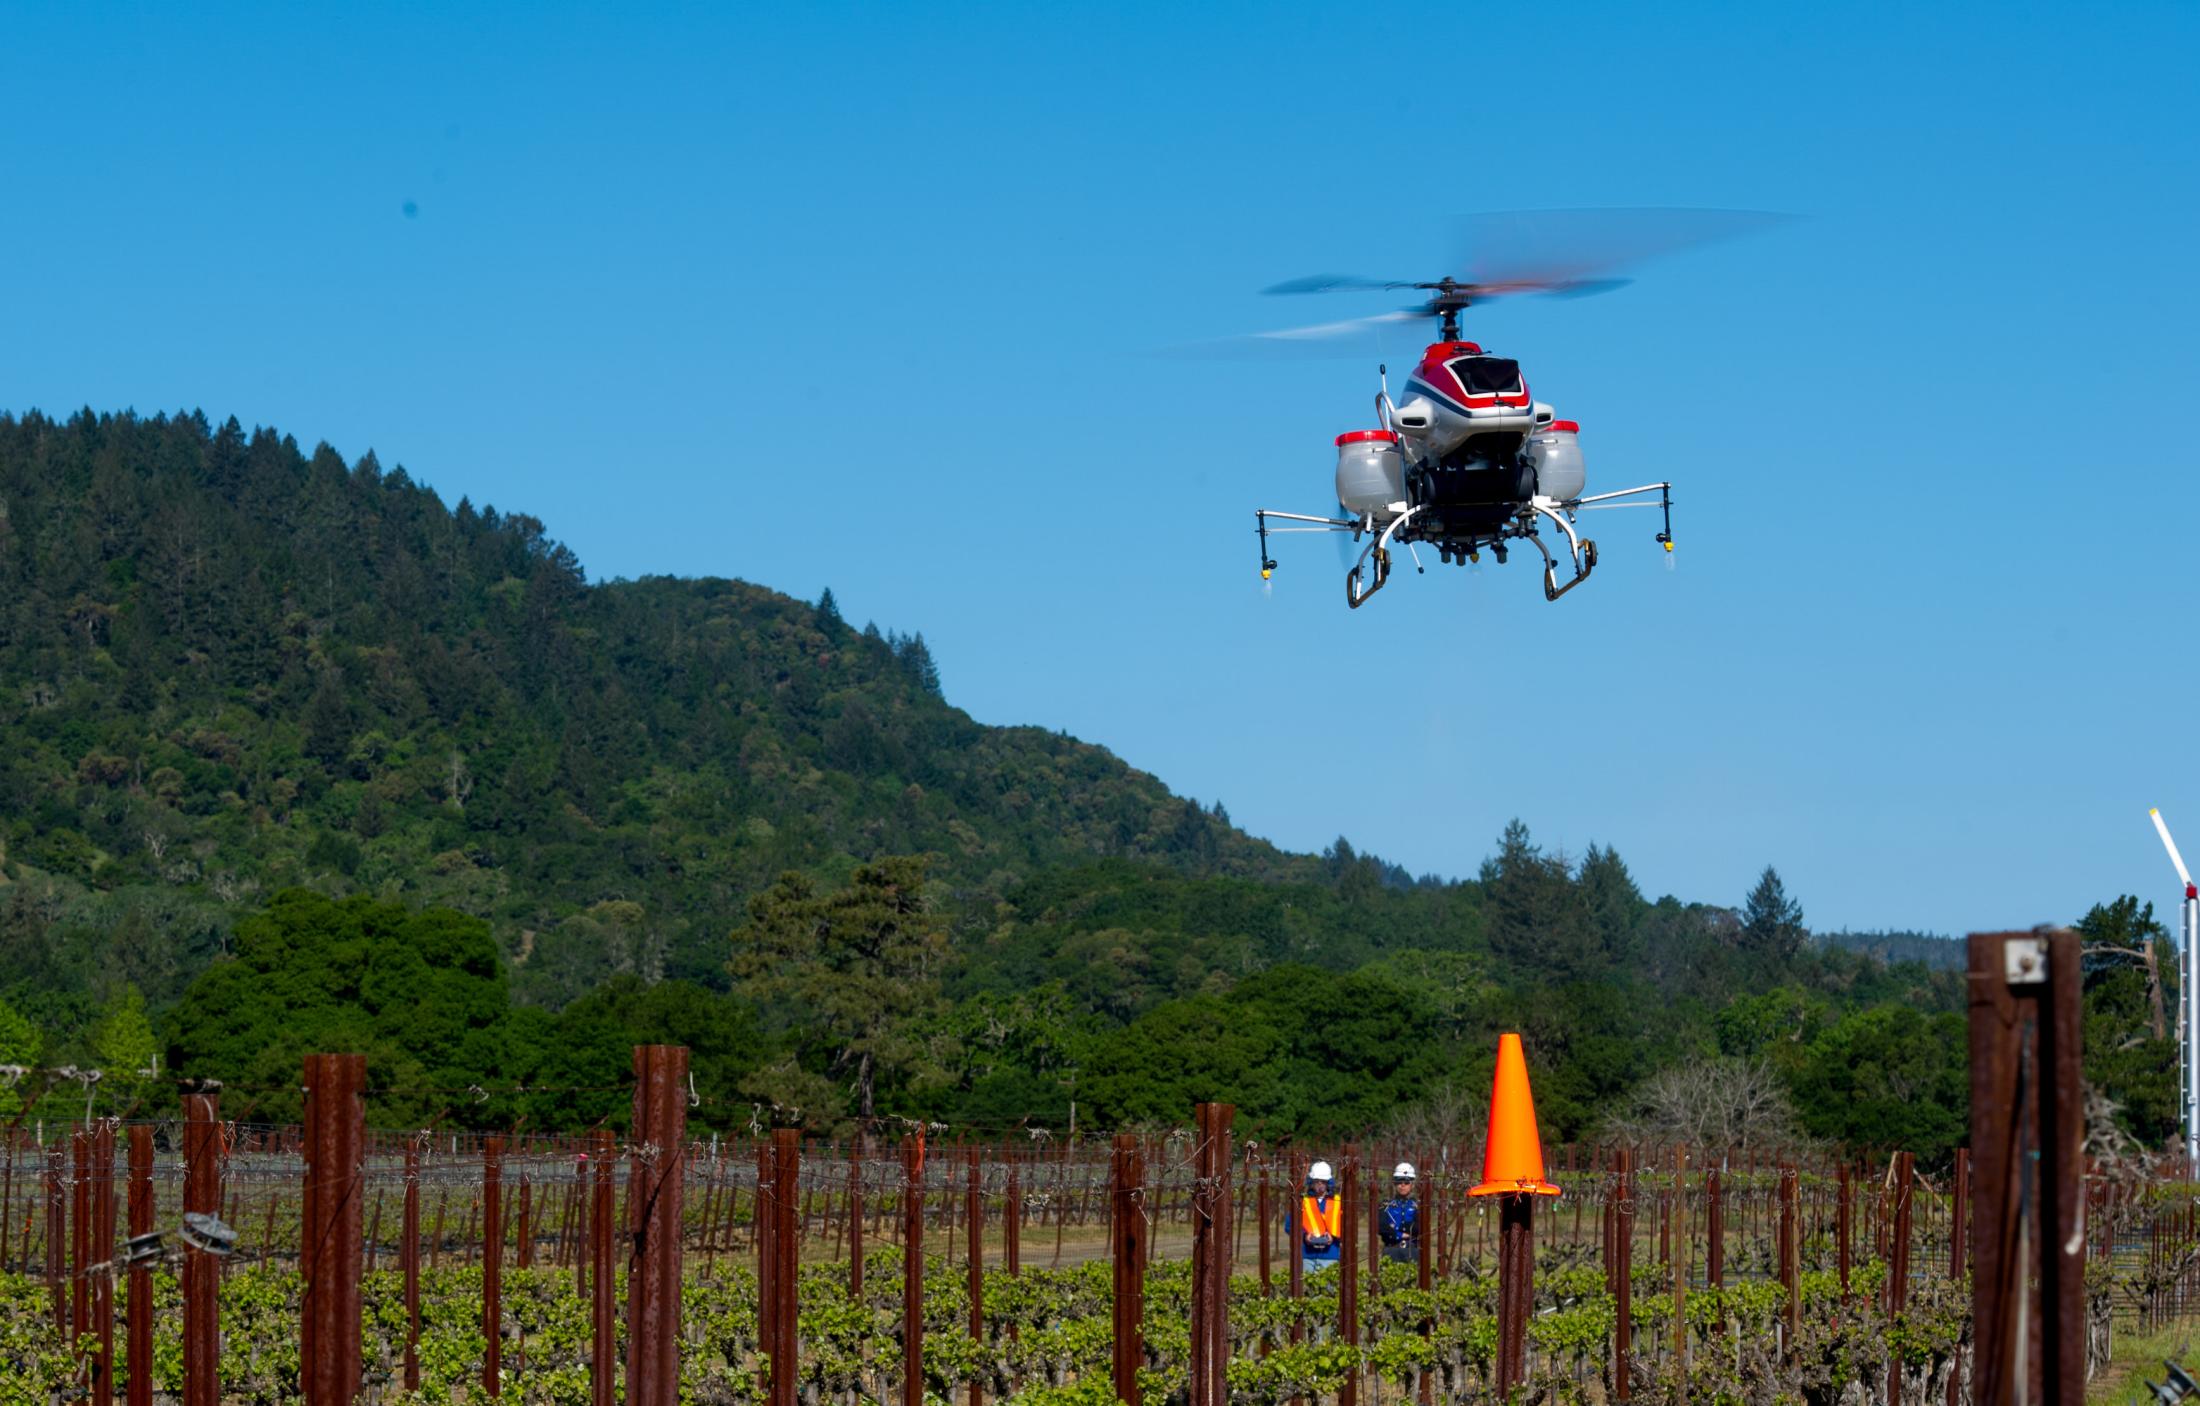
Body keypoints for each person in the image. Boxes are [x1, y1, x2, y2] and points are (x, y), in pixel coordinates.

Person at [1296, 1160, 1342, 1271]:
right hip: (1307, 1255)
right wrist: (1305, 1236)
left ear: (1328, 1183)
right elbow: (1290, 1225)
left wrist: (1333, 1237)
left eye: (1323, 1181)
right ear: (1311, 1182)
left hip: (1330, 1255)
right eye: (1316, 1181)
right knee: (1308, 1288)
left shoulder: (1337, 1202)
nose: (1320, 1184)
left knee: (1329, 1288)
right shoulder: (1303, 1201)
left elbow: (1347, 1226)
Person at [1378, 1162, 1421, 1264]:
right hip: (1391, 1250)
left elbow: (1419, 1228)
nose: (1402, 1185)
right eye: (1399, 1181)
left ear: (1412, 1184)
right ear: (1394, 1183)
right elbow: (1382, 1228)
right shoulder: (1386, 1205)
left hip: (1412, 1250)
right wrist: (1401, 1234)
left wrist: (1394, 1228)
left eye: (1406, 1182)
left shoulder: (1419, 1206)